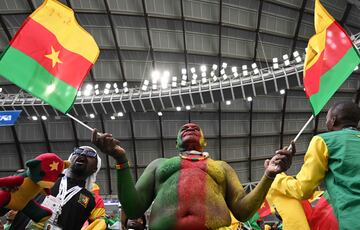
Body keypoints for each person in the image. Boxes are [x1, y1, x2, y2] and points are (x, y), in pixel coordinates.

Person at [92, 122, 294, 229]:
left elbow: (242, 211)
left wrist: (268, 176)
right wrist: (120, 160)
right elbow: (133, 207)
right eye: (184, 129)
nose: (190, 127)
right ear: (176, 142)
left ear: (205, 142)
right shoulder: (159, 164)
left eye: (196, 128)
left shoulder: (222, 167)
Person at [271, 101, 360, 229]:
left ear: (333, 121)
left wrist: (277, 177)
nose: (326, 123)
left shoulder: (324, 141)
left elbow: (303, 189)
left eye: (327, 119)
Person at [10, 146, 106, 230]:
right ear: (69, 160)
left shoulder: (90, 200)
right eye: (78, 151)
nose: (83, 154)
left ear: (95, 168)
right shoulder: (44, 178)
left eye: (90, 154)